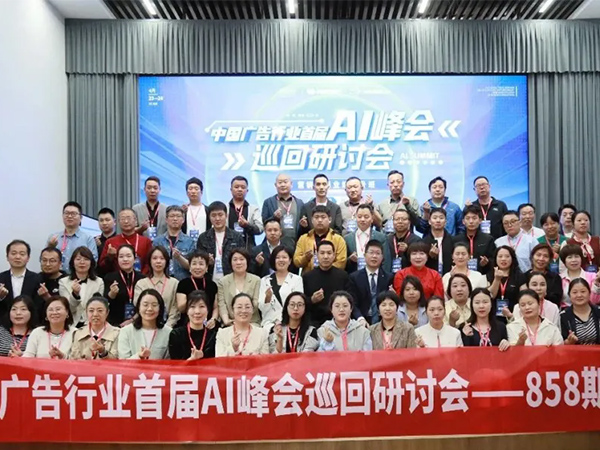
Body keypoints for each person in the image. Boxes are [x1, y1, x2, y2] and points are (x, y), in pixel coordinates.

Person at [302, 240, 350, 328]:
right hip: (314, 322)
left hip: (338, 322)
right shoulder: (307, 277)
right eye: (322, 253)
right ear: (317, 255)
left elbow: (350, 300)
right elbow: (302, 302)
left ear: (334, 255)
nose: (325, 256)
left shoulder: (343, 276)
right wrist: (312, 300)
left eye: (329, 253)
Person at [196, 201, 245, 282]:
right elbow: (198, 260)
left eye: (220, 215)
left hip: (231, 280)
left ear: (226, 215)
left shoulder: (236, 236)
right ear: (209, 217)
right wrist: (207, 261)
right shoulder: (203, 237)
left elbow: (243, 259)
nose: (217, 219)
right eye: (213, 215)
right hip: (209, 280)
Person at [258, 246, 303, 331]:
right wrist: (267, 298)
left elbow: (299, 304)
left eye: (284, 257)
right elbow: (261, 307)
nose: (281, 260)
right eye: (277, 257)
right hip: (269, 324)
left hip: (291, 324)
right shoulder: (265, 280)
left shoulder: (297, 279)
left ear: (290, 261)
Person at [348, 240, 393, 325]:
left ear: (382, 257)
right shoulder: (354, 277)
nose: (374, 256)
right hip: (361, 320)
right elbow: (352, 302)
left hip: (383, 320)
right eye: (371, 253)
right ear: (364, 255)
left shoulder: (388, 278)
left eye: (378, 253)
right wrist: (360, 318)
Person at [133, 246, 180, 328]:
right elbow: (139, 306)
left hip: (169, 326)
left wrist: (167, 327)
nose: (158, 261)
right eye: (154, 258)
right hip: (145, 326)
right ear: (150, 261)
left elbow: (175, 308)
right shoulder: (141, 284)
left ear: (166, 261)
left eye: (162, 258)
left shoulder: (174, 283)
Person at [118, 289, 171, 359]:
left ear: (160, 308)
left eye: (154, 305)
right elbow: (123, 361)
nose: (150, 309)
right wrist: (139, 356)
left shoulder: (168, 332)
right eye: (145, 305)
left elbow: (169, 361)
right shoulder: (126, 331)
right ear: (139, 307)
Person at [46, 201, 98, 273]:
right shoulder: (54, 237)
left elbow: (93, 262)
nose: (69, 216)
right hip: (57, 277)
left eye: (73, 214)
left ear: (81, 217)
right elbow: (44, 260)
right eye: (66, 213)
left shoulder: (88, 238)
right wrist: (50, 247)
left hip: (79, 277)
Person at [294, 205, 347, 273]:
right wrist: (306, 258)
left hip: (331, 276)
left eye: (323, 217)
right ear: (312, 220)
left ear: (330, 219)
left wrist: (323, 268)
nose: (319, 220)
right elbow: (296, 262)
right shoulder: (303, 238)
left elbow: (341, 263)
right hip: (309, 276)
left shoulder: (338, 239)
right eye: (316, 217)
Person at [99, 208, 153, 275]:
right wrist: (109, 257)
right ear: (118, 222)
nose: (126, 221)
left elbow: (150, 263)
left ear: (136, 221)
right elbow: (102, 268)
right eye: (122, 219)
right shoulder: (110, 242)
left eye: (129, 218)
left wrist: (141, 277)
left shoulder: (146, 241)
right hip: (118, 279)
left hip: (142, 278)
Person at [59, 246, 104, 327]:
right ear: (72, 263)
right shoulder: (63, 282)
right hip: (71, 324)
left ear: (91, 263)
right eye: (78, 259)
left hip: (92, 324)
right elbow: (67, 309)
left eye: (86, 259)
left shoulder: (99, 282)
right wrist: (75, 295)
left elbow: (99, 306)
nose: (82, 262)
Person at [103, 244, 146, 327]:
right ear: (117, 259)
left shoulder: (142, 279)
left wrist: (132, 320)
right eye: (121, 256)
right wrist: (111, 295)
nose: (125, 259)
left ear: (135, 259)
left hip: (139, 322)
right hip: (115, 324)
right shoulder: (110, 277)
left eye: (128, 256)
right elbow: (104, 304)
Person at [217, 248, 261, 326]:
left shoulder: (256, 280)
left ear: (247, 261)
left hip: (252, 322)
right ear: (230, 262)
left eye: (241, 259)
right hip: (230, 322)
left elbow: (255, 303)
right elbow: (222, 304)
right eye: (235, 260)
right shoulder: (223, 282)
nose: (238, 262)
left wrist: (243, 320)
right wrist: (226, 321)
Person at [168, 290, 217, 360]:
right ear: (187, 311)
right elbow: (175, 364)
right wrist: (191, 359)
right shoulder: (176, 334)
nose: (197, 311)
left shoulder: (213, 336)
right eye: (192, 306)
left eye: (201, 306)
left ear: (208, 310)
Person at [175, 251, 219, 328]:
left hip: (208, 324)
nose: (197, 267)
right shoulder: (183, 283)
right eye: (194, 264)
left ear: (206, 268)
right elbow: (181, 308)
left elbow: (215, 308)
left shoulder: (212, 285)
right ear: (189, 267)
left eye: (201, 264)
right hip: (187, 323)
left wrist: (213, 319)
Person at [0, 240, 42, 318]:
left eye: (22, 254)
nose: (17, 257)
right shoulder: (1, 278)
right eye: (13, 253)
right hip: (3, 321)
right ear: (7, 257)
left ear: (28, 258)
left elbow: (39, 305)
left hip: (30, 321)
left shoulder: (37, 279)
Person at [153, 205, 195, 280]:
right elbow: (153, 263)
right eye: (172, 216)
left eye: (178, 216)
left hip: (183, 281)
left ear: (183, 220)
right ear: (166, 219)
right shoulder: (158, 241)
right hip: (162, 280)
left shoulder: (190, 241)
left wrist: (179, 258)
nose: (175, 219)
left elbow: (192, 266)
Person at [344, 204, 388, 274]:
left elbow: (386, 262)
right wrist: (350, 260)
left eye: (366, 217)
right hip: (353, 276)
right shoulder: (347, 238)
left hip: (375, 275)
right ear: (355, 218)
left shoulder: (381, 237)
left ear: (372, 219)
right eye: (359, 217)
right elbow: (343, 263)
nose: (362, 219)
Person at [261, 173, 305, 241]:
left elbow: (303, 224)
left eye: (285, 182)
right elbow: (264, 223)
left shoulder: (299, 203)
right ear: (275, 185)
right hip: (276, 242)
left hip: (296, 241)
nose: (283, 185)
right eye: (280, 182)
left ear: (291, 184)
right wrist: (274, 217)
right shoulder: (268, 202)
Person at [453, 205, 496, 274]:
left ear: (480, 220)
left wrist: (487, 262)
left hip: (482, 274)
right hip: (461, 275)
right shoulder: (456, 240)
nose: (471, 221)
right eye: (468, 218)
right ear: (463, 221)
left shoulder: (488, 239)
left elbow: (494, 259)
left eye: (474, 218)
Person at [487, 246, 526, 319]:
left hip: (514, 315)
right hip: (493, 316)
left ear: (512, 258)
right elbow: (490, 296)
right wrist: (497, 279)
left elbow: (524, 297)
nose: (503, 259)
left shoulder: (519, 276)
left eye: (507, 256)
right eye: (500, 256)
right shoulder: (489, 275)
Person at [227, 175, 264, 249]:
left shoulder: (253, 209)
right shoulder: (225, 208)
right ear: (231, 190)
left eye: (243, 187)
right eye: (236, 187)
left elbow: (260, 229)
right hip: (228, 249)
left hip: (248, 249)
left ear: (247, 191)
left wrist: (247, 225)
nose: (240, 189)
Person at [561, 278, 600, 345]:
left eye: (583, 291)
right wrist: (569, 342)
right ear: (569, 295)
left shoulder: (598, 311)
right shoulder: (563, 316)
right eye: (575, 292)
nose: (579, 295)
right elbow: (560, 343)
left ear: (589, 293)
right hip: (573, 351)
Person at [383, 209, 421, 274]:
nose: (400, 222)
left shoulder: (416, 240)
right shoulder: (387, 239)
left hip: (410, 276)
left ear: (409, 222)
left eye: (404, 219)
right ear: (393, 222)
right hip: (389, 276)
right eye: (397, 219)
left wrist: (408, 250)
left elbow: (420, 261)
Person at [133, 176, 167, 241]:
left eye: (155, 188)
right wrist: (141, 228)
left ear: (159, 190)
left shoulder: (166, 209)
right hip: (143, 243)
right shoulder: (136, 208)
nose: (152, 191)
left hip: (162, 245)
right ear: (144, 189)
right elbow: (131, 230)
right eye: (149, 188)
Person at [422, 208, 454, 276]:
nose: (438, 220)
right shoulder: (423, 242)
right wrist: (429, 256)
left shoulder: (453, 240)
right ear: (429, 221)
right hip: (429, 277)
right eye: (435, 218)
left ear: (445, 222)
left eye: (441, 218)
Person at [182, 177, 210, 241]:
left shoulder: (208, 210)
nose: (193, 191)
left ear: (201, 192)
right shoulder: (183, 210)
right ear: (187, 193)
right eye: (190, 189)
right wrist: (181, 212)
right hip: (186, 245)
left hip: (204, 244)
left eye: (196, 189)